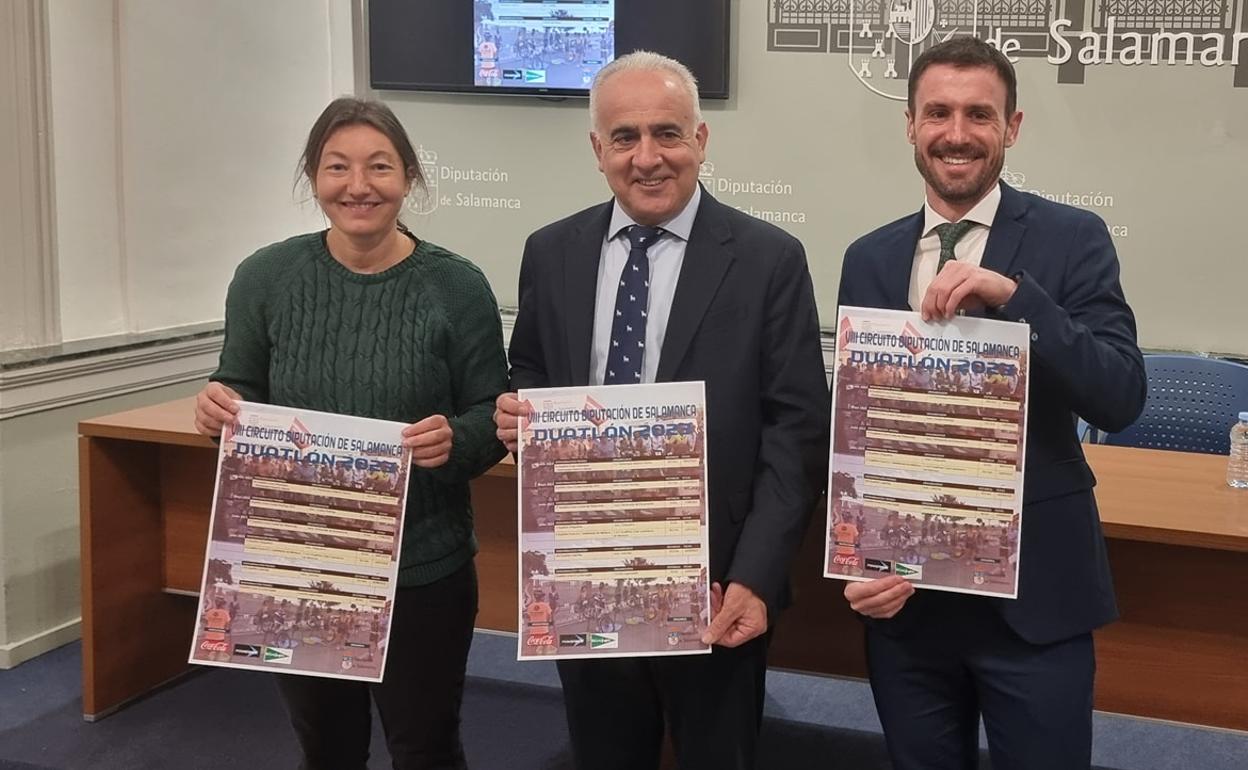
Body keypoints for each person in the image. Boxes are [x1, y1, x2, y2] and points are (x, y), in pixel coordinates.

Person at [493, 51, 829, 770]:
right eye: (625, 137)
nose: (648, 157)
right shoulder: (550, 252)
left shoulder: (770, 259)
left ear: (701, 140)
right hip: (583, 574)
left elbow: (796, 433)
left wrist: (756, 577)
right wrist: (519, 416)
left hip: (715, 587)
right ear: (597, 149)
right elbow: (530, 369)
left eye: (668, 133)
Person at [836, 38, 1146, 769]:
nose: (957, 133)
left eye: (980, 114)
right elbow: (857, 431)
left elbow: (1121, 393)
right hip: (906, 600)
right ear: (910, 124)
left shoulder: (1073, 240)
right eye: (938, 112)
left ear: (1012, 127)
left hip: (1034, 602)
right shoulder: (870, 257)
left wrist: (1015, 298)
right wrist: (854, 551)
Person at [192, 97, 508, 770]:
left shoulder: (457, 287)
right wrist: (222, 412)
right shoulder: (265, 278)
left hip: (423, 567)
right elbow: (239, 388)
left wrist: (457, 438)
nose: (358, 185)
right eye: (337, 167)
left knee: (424, 745)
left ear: (409, 179)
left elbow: (493, 412)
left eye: (379, 167)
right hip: (300, 564)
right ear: (313, 177)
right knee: (326, 745)